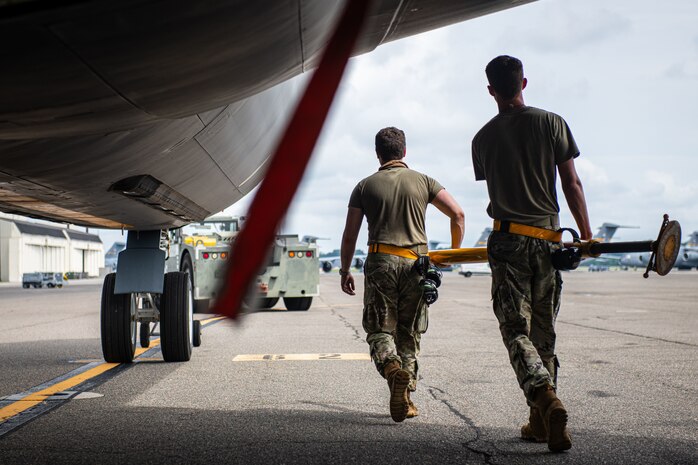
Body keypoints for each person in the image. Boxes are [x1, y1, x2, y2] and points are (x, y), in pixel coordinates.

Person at [471, 55, 592, 452]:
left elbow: (499, 184)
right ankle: (540, 424)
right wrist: (586, 235)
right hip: (548, 240)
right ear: (524, 83)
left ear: (491, 90)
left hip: (507, 242)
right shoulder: (552, 122)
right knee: (544, 333)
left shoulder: (482, 139)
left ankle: (545, 399)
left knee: (515, 331)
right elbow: (571, 183)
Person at [340, 127, 465, 423]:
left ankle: (392, 370)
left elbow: (349, 235)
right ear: (404, 152)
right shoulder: (424, 181)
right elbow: (458, 214)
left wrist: (345, 270)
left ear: (378, 153)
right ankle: (406, 398)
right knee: (409, 332)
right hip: (416, 264)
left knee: (381, 330)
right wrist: (452, 255)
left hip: (381, 260)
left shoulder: (364, 186)